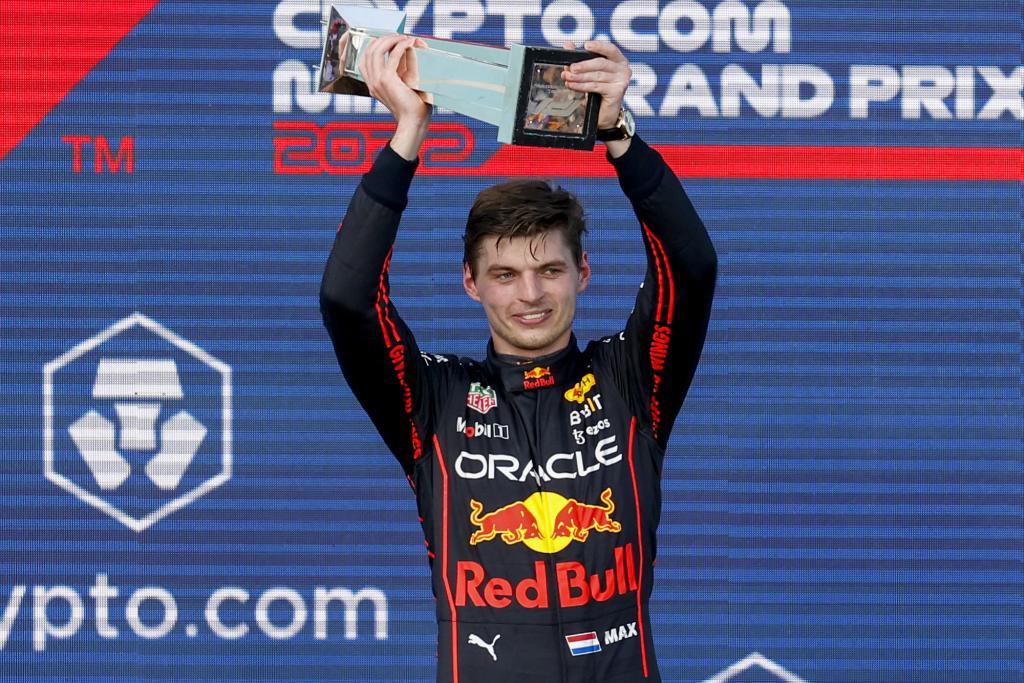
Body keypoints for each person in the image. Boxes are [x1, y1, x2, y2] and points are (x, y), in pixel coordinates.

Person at [320, 34, 717, 683]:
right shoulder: (433, 402)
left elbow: (692, 267)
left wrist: (618, 133)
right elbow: (347, 299)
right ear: (471, 283)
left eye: (550, 269)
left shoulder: (630, 379)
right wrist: (406, 136)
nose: (530, 294)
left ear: (584, 272)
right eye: (504, 274)